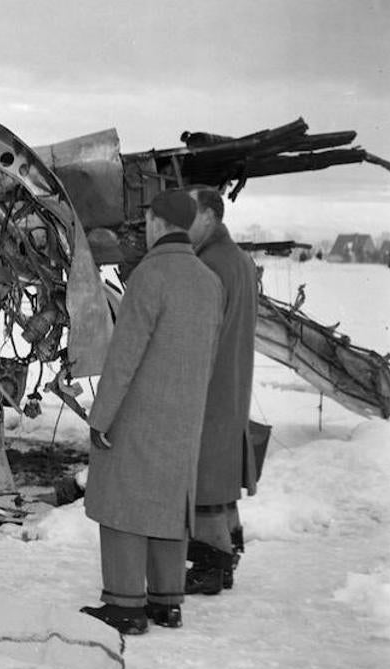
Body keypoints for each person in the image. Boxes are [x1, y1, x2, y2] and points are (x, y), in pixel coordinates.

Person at [80, 189, 223, 634]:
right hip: (184, 413)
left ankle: (125, 605)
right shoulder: (209, 280)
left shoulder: (149, 275)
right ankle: (166, 600)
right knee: (167, 504)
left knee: (122, 503)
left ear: (157, 223)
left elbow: (124, 358)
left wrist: (101, 417)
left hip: (138, 413)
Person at [184, 186, 259, 594]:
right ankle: (226, 558)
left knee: (206, 475)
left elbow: (200, 333)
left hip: (211, 384)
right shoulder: (240, 261)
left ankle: (211, 567)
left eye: (190, 216)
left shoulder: (209, 265)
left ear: (210, 217)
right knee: (221, 469)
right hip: (234, 379)